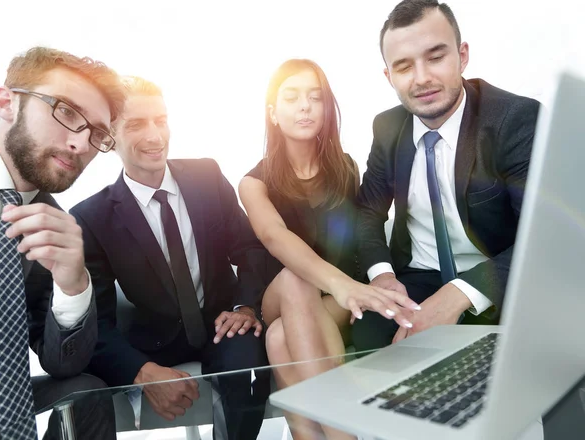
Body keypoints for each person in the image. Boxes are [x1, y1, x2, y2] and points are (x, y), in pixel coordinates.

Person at [69, 76, 271, 440]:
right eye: (136, 124)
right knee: (90, 387)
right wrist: (142, 371)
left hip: (222, 325)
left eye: (160, 120)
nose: (154, 136)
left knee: (249, 371)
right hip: (152, 341)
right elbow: (96, 322)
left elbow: (251, 249)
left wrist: (245, 307)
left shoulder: (206, 176)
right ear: (108, 137)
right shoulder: (91, 218)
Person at [239, 58, 420, 440]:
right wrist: (344, 286)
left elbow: (358, 236)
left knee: (278, 338)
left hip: (337, 298)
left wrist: (356, 285)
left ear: (326, 108)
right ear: (273, 112)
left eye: (315, 97)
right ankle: (344, 435)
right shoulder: (253, 183)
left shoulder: (345, 168)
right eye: (291, 97)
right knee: (294, 278)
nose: (305, 106)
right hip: (286, 294)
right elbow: (274, 237)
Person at [352, 0, 540, 350]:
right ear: (388, 75)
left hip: (497, 274)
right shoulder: (387, 127)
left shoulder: (514, 119)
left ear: (462, 55)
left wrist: (458, 294)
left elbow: (543, 234)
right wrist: (383, 275)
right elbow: (367, 211)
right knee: (370, 336)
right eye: (404, 66)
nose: (422, 78)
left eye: (436, 57)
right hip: (416, 277)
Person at [0, 46, 125, 439]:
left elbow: (63, 364)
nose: (81, 144)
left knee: (86, 393)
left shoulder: (58, 230)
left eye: (97, 134)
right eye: (65, 111)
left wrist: (73, 284)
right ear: (6, 103)